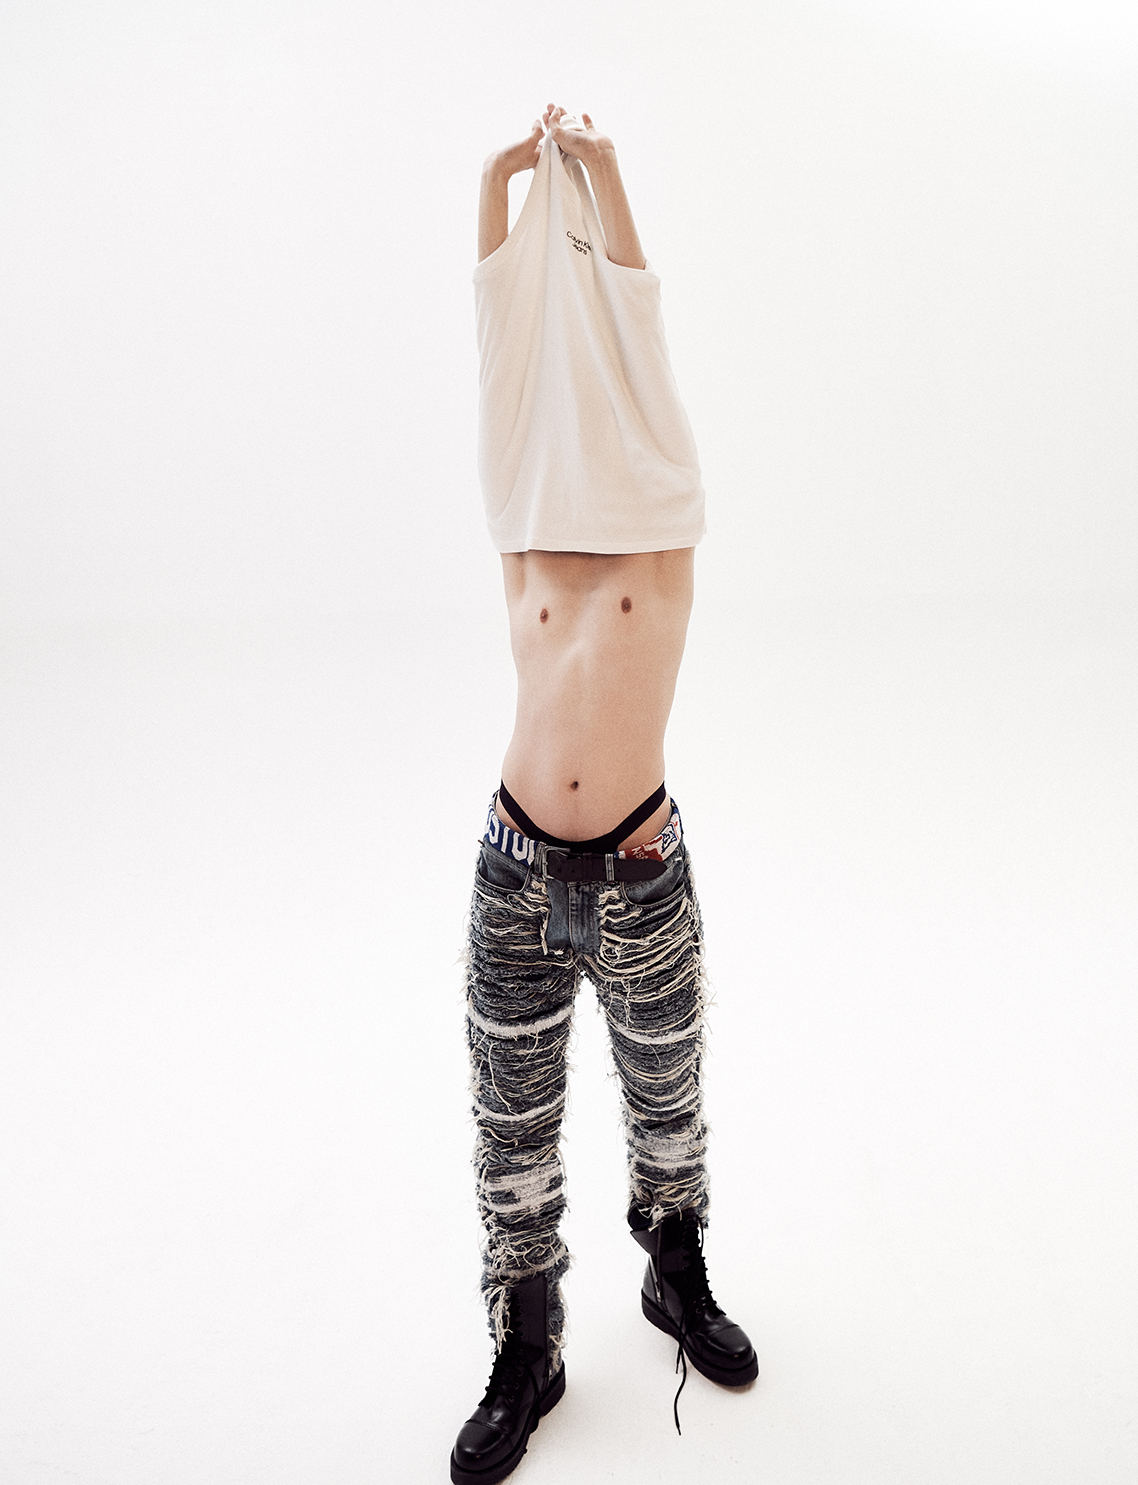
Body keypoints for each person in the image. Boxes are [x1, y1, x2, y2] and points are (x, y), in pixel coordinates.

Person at [450, 105, 756, 1485]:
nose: (585, 410)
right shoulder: (520, 518)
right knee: (510, 1137)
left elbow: (631, 329)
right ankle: (528, 1340)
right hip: (512, 874)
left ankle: (672, 1266)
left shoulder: (664, 518)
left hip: (640, 873)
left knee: (668, 1105)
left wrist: (607, 180)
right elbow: (503, 351)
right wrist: (496, 187)